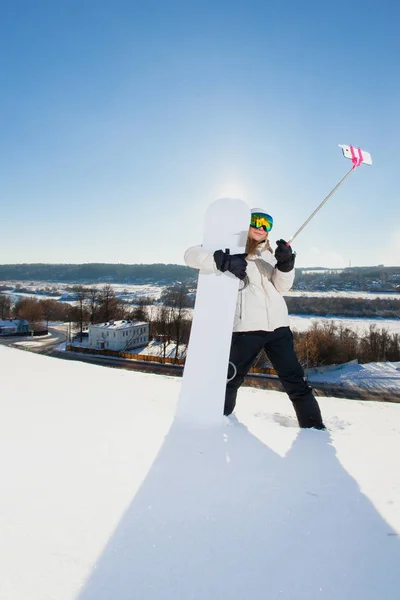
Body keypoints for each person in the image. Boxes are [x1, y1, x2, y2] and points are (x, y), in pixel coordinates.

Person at [184, 207, 325, 430]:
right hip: (245, 329)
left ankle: (315, 431)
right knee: (230, 381)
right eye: (256, 221)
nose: (261, 227)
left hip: (278, 328)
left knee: (296, 382)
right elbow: (190, 255)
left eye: (266, 223)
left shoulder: (269, 254)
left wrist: (286, 265)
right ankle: (216, 425)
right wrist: (222, 260)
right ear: (243, 223)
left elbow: (282, 287)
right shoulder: (231, 246)